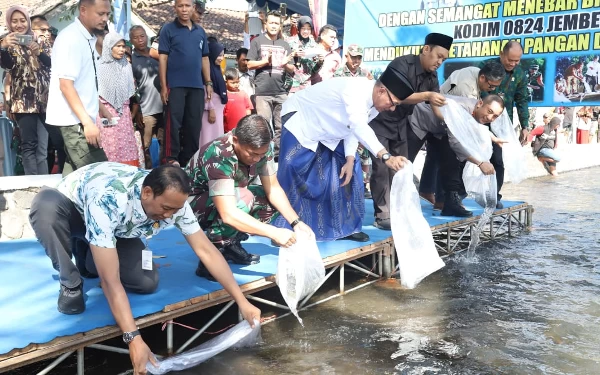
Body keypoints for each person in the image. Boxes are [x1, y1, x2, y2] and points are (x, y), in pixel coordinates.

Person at [28, 163, 261, 375]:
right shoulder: (109, 199)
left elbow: (206, 250)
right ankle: (71, 280)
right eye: (166, 208)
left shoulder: (174, 203)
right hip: (73, 211)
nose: (169, 215)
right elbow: (110, 282)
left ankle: (89, 251)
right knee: (45, 208)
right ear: (147, 192)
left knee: (145, 282)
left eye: (174, 210)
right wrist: (133, 338)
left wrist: (242, 300)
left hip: (119, 227)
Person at [274, 64, 414, 242]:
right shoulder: (355, 90)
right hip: (303, 121)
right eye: (393, 103)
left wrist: (349, 158)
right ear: (381, 91)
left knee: (350, 170)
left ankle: (345, 228)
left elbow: (354, 129)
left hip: (332, 132)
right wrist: (386, 156)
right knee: (292, 170)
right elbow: (358, 125)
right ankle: (284, 229)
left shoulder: (375, 105)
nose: (392, 108)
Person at [185, 115, 314, 278]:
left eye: (261, 154)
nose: (257, 159)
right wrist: (274, 233)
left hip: (229, 197)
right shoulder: (219, 154)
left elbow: (273, 188)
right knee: (244, 197)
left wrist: (296, 223)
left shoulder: (262, 147)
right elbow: (229, 214)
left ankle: (230, 244)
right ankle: (211, 255)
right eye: (252, 154)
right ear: (236, 140)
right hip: (192, 206)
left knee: (269, 202)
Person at [368, 32, 452, 230]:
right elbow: (396, 96)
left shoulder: (432, 78)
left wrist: (452, 121)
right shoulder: (402, 64)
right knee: (381, 168)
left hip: (401, 123)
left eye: (444, 59)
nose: (440, 61)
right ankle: (383, 215)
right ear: (426, 49)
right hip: (380, 119)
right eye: (438, 56)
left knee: (402, 168)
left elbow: (436, 108)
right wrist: (427, 95)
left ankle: (399, 210)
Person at [408, 95, 506, 216]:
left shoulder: (476, 111)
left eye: (495, 116)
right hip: (418, 120)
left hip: (440, 129)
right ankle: (392, 205)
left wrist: (493, 138)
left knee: (452, 158)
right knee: (404, 164)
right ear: (480, 103)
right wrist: (480, 163)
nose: (490, 118)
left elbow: (475, 127)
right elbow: (456, 142)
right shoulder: (461, 109)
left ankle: (449, 203)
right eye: (489, 111)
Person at [45, 0, 111, 175]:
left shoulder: (87, 37)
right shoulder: (71, 38)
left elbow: (83, 82)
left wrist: (100, 107)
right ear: (83, 10)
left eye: (107, 14)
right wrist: (87, 123)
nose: (105, 19)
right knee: (99, 175)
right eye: (100, 14)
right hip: (74, 121)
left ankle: (60, 203)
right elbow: (66, 85)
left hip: (80, 119)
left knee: (74, 177)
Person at [159, 0, 213, 167]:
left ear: (193, 8)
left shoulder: (200, 31)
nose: (184, 9)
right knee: (172, 124)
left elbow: (205, 58)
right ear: (175, 8)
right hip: (175, 84)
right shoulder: (168, 29)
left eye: (187, 6)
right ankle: (170, 159)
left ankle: (190, 160)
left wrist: (208, 82)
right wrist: (163, 86)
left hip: (196, 86)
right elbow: (163, 58)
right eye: (180, 6)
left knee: (194, 124)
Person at [0, 6, 51, 175]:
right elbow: (7, 66)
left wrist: (40, 52)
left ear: (28, 21)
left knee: (43, 148)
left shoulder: (41, 40)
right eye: (14, 21)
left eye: (22, 20)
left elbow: (52, 64)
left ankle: (45, 186)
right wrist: (3, 47)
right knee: (29, 146)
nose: (19, 25)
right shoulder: (7, 44)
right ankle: (33, 186)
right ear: (9, 23)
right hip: (23, 101)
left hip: (45, 100)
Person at [479, 41, 529, 208]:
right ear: (502, 54)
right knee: (471, 156)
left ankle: (495, 196)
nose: (513, 64)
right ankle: (460, 193)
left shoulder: (520, 74)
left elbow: (522, 100)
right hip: (480, 119)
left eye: (517, 61)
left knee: (498, 160)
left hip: (502, 124)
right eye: (510, 60)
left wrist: (525, 126)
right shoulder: (486, 66)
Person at [247, 11, 295, 159]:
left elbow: (292, 69)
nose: (274, 26)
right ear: (265, 24)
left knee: (282, 127)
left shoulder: (285, 44)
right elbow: (249, 64)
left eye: (277, 23)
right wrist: (264, 62)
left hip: (281, 92)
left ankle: (277, 158)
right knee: (263, 126)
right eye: (271, 23)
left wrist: (285, 64)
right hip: (262, 92)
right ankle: (262, 158)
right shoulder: (257, 41)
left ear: (280, 26)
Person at [96, 32, 139, 166]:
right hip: (105, 113)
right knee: (110, 148)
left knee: (126, 148)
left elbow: (131, 90)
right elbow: (93, 92)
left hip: (124, 115)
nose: (122, 49)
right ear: (109, 47)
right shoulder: (99, 66)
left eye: (123, 46)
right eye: (118, 46)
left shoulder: (126, 66)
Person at [130, 25, 164, 169]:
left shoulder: (157, 54)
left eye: (142, 36)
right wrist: (137, 111)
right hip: (146, 109)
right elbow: (132, 88)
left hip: (164, 106)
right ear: (131, 40)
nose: (140, 40)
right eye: (136, 37)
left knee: (164, 145)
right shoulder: (131, 61)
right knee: (146, 146)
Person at [199, 41, 227, 148]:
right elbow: (206, 88)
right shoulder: (207, 70)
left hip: (217, 111)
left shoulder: (217, 69)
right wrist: (210, 108)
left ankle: (215, 161)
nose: (221, 58)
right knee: (207, 137)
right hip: (210, 112)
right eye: (219, 55)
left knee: (217, 138)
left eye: (223, 55)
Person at [286, 15, 321, 93]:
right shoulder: (289, 41)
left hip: (306, 85)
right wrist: (293, 54)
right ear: (299, 28)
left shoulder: (314, 45)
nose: (306, 31)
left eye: (308, 29)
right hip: (291, 84)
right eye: (303, 28)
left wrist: (320, 62)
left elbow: (314, 70)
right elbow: (282, 61)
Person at [441, 62, 505, 100]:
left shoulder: (477, 71)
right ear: (482, 78)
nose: (493, 89)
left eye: (496, 86)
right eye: (491, 86)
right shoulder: (467, 89)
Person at [223, 68, 253, 133]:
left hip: (242, 129)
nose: (236, 85)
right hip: (227, 130)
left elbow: (248, 109)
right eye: (232, 83)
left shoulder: (243, 94)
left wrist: (247, 121)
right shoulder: (225, 95)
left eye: (237, 82)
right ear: (226, 82)